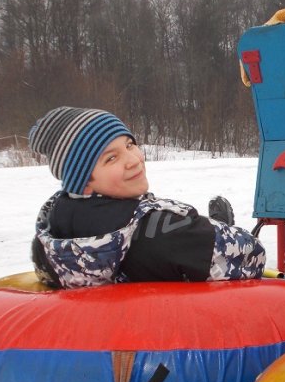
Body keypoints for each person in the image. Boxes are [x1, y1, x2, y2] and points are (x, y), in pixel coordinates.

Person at [28, 106, 266, 288]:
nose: (134, 160)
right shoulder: (165, 231)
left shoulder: (47, 242)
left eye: (129, 145)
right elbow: (252, 256)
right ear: (83, 182)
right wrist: (209, 231)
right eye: (111, 158)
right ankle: (220, 226)